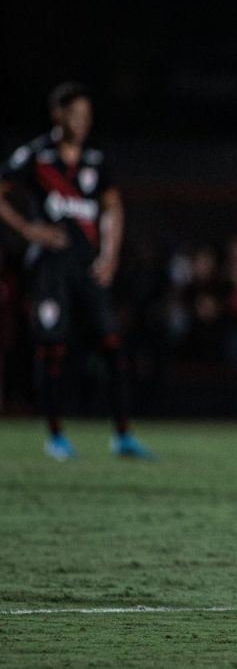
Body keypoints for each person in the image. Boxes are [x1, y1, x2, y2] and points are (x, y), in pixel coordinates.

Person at [0, 82, 154, 460]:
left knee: (113, 346)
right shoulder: (36, 157)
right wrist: (27, 229)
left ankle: (122, 435)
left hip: (88, 267)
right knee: (52, 347)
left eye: (87, 115)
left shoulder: (95, 162)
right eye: (75, 114)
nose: (83, 122)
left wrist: (110, 255)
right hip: (50, 266)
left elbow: (113, 208)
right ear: (58, 115)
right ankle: (55, 436)